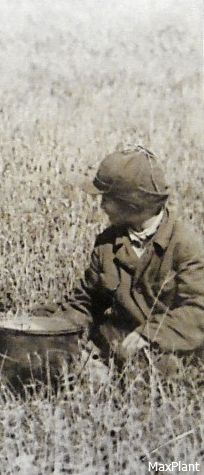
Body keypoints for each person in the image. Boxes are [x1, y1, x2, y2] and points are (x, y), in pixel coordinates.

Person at [46, 146, 204, 375]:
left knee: (157, 369)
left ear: (131, 204)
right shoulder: (108, 243)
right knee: (45, 324)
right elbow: (85, 302)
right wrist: (54, 334)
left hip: (171, 350)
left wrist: (149, 335)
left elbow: (199, 311)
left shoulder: (186, 246)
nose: (101, 207)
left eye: (106, 199)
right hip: (118, 343)